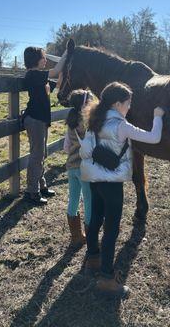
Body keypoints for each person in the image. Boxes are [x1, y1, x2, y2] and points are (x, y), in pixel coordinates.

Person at [79, 82, 165, 298]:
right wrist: (158, 116)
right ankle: (107, 279)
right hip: (112, 183)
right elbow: (154, 137)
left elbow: (85, 150)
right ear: (117, 104)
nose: (129, 108)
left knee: (96, 218)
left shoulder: (94, 120)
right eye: (128, 104)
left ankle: (93, 258)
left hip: (94, 179)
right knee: (112, 229)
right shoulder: (122, 125)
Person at [23, 46, 67, 205]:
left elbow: (58, 82)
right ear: (36, 60)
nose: (46, 60)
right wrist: (66, 53)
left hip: (40, 120)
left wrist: (66, 67)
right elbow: (55, 71)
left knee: (41, 154)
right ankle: (31, 192)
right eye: (43, 58)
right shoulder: (33, 74)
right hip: (34, 119)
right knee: (37, 155)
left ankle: (41, 186)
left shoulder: (40, 77)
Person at [63, 89, 93, 248]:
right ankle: (89, 234)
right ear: (86, 105)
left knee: (73, 198)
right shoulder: (88, 123)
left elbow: (66, 147)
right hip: (85, 169)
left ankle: (75, 236)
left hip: (71, 166)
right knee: (89, 200)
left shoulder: (71, 122)